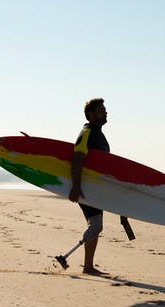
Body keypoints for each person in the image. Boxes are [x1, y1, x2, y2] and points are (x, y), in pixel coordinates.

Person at [69, 98, 109, 275]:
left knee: (96, 224)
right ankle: (87, 266)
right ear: (90, 115)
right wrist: (76, 187)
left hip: (95, 187)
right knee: (96, 226)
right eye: (101, 110)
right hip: (86, 187)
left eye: (105, 109)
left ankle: (88, 266)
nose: (105, 112)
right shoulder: (87, 132)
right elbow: (77, 158)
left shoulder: (97, 133)